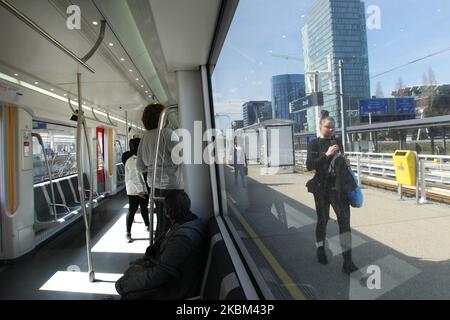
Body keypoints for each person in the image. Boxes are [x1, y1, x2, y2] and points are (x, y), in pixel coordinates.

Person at [115, 191, 206, 300]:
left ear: (167, 211)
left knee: (127, 289)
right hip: (172, 276)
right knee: (132, 273)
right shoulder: (185, 223)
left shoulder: (183, 238)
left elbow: (158, 276)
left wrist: (125, 285)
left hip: (175, 287)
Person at [306, 110, 358, 275]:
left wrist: (345, 162)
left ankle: (348, 262)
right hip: (321, 188)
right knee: (323, 220)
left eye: (333, 127)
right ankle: (320, 249)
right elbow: (309, 165)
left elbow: (339, 163)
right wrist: (327, 155)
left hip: (338, 188)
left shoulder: (338, 141)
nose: (331, 130)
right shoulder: (314, 144)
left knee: (345, 224)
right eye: (327, 127)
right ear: (320, 126)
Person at [136, 104, 184, 239]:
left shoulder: (144, 138)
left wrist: (151, 167)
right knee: (170, 224)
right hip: (171, 186)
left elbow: (139, 167)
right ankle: (164, 251)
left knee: (161, 222)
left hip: (154, 187)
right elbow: (181, 158)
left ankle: (158, 248)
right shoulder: (167, 133)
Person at [124, 138, 150, 241]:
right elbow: (134, 177)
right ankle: (128, 232)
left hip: (142, 188)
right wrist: (140, 190)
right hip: (135, 190)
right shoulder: (131, 161)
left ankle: (147, 225)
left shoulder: (140, 158)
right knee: (132, 210)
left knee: (144, 208)